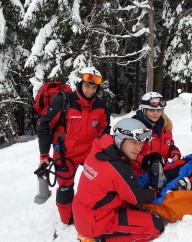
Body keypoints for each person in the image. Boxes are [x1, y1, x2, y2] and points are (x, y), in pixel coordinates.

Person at [37, 67, 110, 225]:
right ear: (80, 84)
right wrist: (44, 155)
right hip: (65, 154)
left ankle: (93, 210)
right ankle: (68, 221)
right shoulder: (65, 101)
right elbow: (44, 126)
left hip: (90, 153)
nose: (90, 90)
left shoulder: (101, 106)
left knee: (100, 182)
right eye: (87, 86)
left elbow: (104, 130)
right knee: (65, 188)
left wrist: (106, 150)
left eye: (94, 87)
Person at [72, 118, 165, 241]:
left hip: (84, 212)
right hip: (96, 222)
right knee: (156, 225)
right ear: (120, 139)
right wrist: (155, 191)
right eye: (134, 142)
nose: (139, 148)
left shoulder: (102, 150)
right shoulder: (117, 168)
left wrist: (143, 160)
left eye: (141, 143)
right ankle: (99, 239)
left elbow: (123, 162)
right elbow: (137, 197)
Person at [131, 92, 181, 176]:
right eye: (151, 110)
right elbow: (126, 153)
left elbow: (169, 142)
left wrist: (173, 151)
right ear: (144, 110)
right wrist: (144, 161)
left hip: (162, 172)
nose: (156, 113)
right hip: (140, 175)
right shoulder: (134, 127)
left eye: (159, 110)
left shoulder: (165, 126)